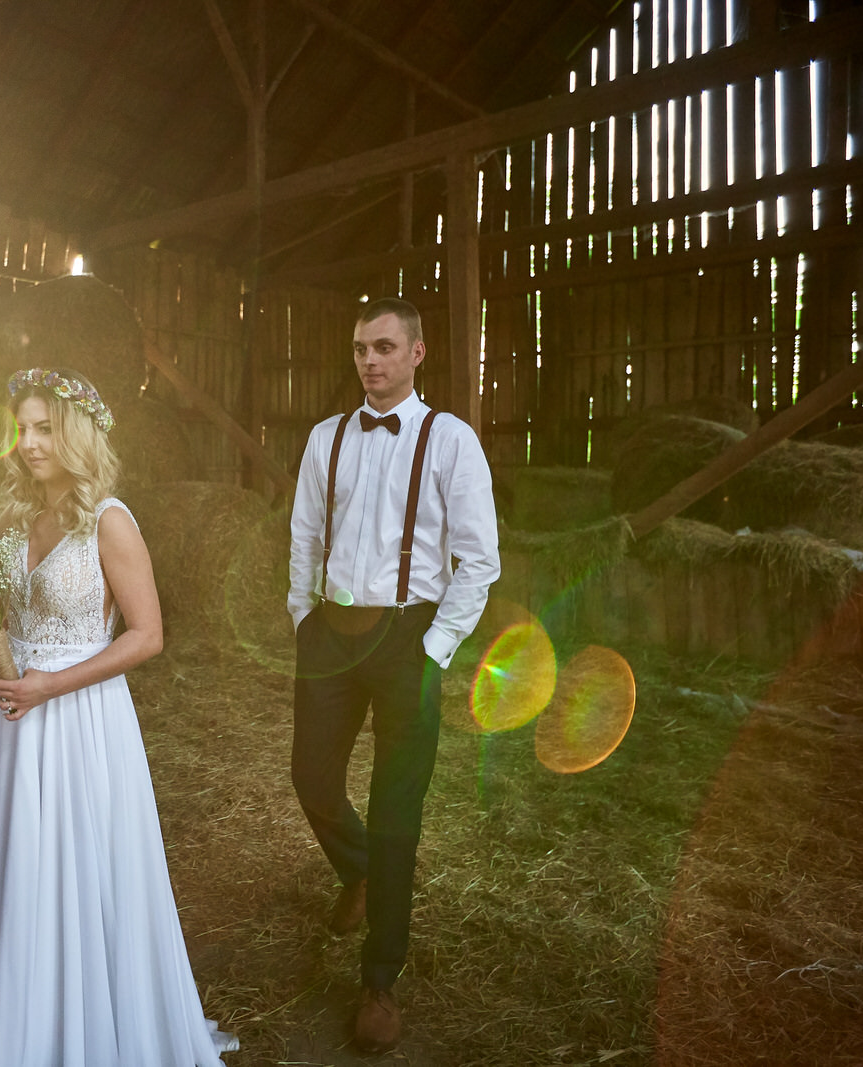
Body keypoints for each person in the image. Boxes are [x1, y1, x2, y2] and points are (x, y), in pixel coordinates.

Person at [0, 367, 237, 1067]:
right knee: (25, 865)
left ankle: (92, 1025)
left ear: (75, 434)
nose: (30, 443)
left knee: (84, 865)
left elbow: (148, 635)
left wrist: (54, 684)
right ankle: (25, 1025)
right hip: (18, 715)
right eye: (22, 429)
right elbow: (1, 608)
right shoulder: (16, 518)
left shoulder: (110, 520)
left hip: (82, 718)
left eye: (45, 428)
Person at [287, 298, 500, 1053]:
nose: (369, 360)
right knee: (311, 775)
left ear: (416, 352)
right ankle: (360, 871)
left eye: (383, 346)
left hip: (410, 636)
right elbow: (305, 532)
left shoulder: (452, 440)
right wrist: (303, 616)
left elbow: (480, 559)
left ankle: (379, 978)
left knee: (396, 811)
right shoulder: (326, 437)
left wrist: (436, 647)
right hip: (332, 631)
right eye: (360, 349)